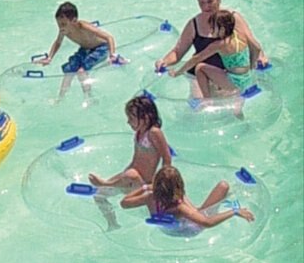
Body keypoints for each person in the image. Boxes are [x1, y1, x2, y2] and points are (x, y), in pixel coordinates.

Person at [155, 0, 268, 98]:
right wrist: (164, 61)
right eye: (201, 2)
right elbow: (177, 52)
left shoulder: (232, 19)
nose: (205, 7)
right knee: (199, 110)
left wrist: (260, 59)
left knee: (230, 110)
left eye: (210, 1)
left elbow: (251, 42)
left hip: (227, 75)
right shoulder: (194, 24)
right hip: (200, 75)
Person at [34, 2, 122, 102]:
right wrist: (49, 58)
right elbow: (58, 42)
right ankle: (60, 98)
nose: (61, 27)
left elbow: (109, 37)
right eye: (59, 24)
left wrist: (112, 55)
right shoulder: (64, 30)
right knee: (69, 70)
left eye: (63, 24)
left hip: (100, 48)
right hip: (84, 49)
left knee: (81, 71)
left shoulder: (83, 26)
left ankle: (89, 98)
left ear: (74, 21)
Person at [121, 166, 255, 230]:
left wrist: (145, 187)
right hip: (191, 229)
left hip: (170, 230)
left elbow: (124, 203)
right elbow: (207, 223)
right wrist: (234, 212)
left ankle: (230, 193)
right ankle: (237, 189)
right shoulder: (180, 208)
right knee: (223, 186)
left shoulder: (150, 197)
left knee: (183, 197)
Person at [168, 10, 262, 98]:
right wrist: (252, 65)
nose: (211, 30)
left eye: (213, 27)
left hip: (235, 82)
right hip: (247, 77)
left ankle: (207, 100)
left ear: (222, 29)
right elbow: (257, 47)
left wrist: (178, 73)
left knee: (200, 68)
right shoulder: (240, 35)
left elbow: (196, 59)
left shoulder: (220, 45)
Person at [88, 95, 172, 190]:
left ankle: (105, 184)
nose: (128, 122)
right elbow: (135, 161)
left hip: (142, 182)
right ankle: (106, 191)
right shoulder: (138, 133)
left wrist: (160, 182)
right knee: (99, 194)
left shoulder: (154, 132)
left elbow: (167, 157)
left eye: (131, 119)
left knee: (130, 174)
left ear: (146, 118)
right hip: (131, 178)